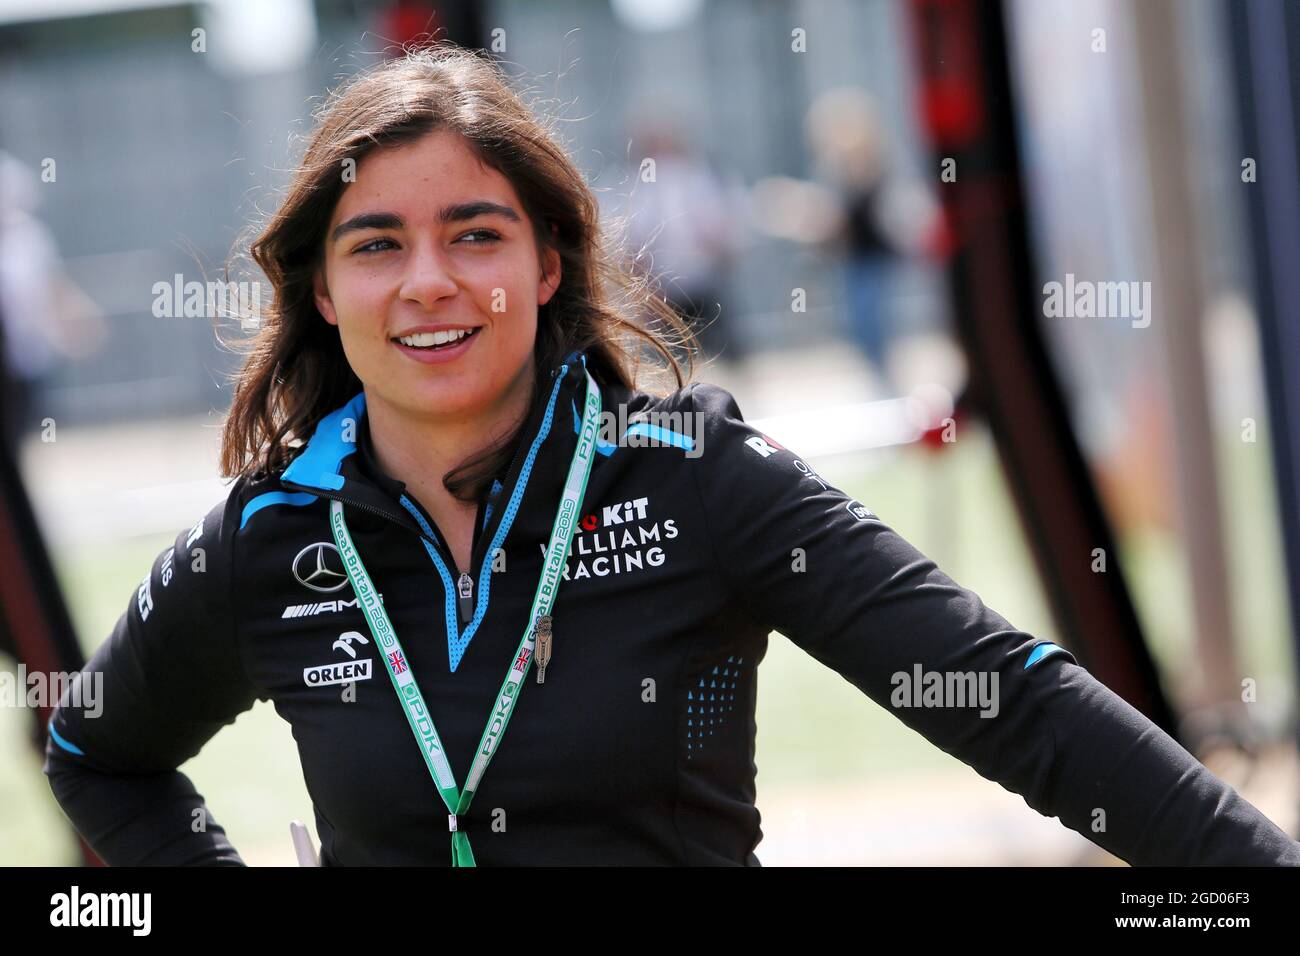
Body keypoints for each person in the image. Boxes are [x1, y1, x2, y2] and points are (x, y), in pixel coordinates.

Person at [43, 45, 1300, 867]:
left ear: (545, 265)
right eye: (376, 243)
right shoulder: (271, 537)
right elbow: (98, 751)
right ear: (323, 289)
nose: (429, 280)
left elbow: (1003, 698)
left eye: (474, 233)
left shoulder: (693, 476)